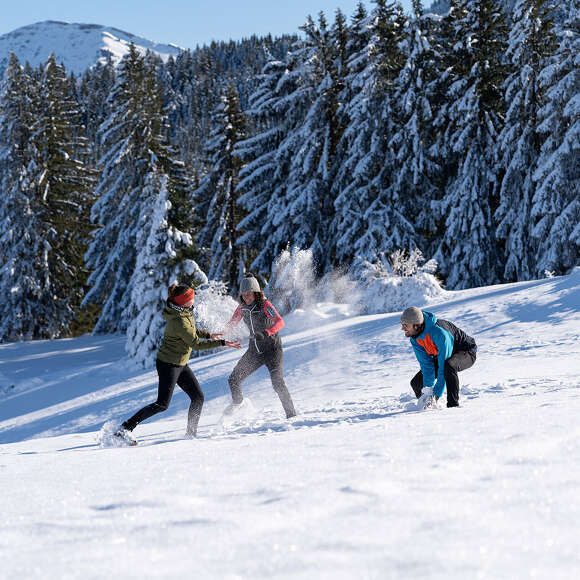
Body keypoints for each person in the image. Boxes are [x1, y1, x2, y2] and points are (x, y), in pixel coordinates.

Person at [116, 284, 240, 443]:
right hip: (168, 365)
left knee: (198, 397)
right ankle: (125, 427)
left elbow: (192, 331)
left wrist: (209, 334)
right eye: (191, 298)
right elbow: (196, 344)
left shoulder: (185, 312)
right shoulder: (179, 320)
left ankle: (191, 434)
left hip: (180, 363)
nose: (194, 300)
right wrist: (222, 343)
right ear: (184, 301)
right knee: (162, 404)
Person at [224, 276, 296, 418]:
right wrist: (218, 334)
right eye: (243, 295)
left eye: (249, 294)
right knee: (234, 379)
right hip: (255, 352)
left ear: (256, 293)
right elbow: (231, 324)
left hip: (272, 351)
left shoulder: (265, 305)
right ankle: (239, 403)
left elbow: (280, 322)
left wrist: (266, 332)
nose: (246, 297)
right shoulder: (242, 308)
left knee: (277, 383)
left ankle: (291, 415)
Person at [401, 306, 477, 409]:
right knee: (416, 383)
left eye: (406, 325)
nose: (402, 328)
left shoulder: (439, 333)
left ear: (416, 325)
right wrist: (428, 391)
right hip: (442, 356)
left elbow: (443, 366)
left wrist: (436, 395)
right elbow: (426, 365)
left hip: (466, 351)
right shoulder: (415, 338)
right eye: (402, 325)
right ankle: (426, 405)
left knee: (448, 366)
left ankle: (453, 406)